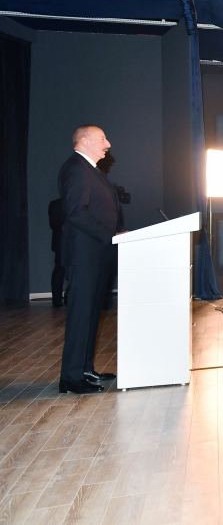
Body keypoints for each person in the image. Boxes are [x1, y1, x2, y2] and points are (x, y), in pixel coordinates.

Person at [57, 125, 122, 394]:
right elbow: (76, 212)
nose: (108, 143)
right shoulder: (76, 168)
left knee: (91, 314)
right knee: (81, 315)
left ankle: (84, 370)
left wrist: (117, 234)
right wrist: (109, 235)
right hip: (85, 256)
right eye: (102, 138)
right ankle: (71, 378)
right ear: (84, 141)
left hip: (95, 256)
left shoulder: (90, 170)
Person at [48, 197, 66, 308]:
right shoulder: (56, 204)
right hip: (63, 242)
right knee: (61, 271)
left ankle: (58, 299)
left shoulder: (54, 204)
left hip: (61, 242)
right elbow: (54, 224)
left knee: (60, 271)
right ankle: (58, 299)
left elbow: (53, 224)